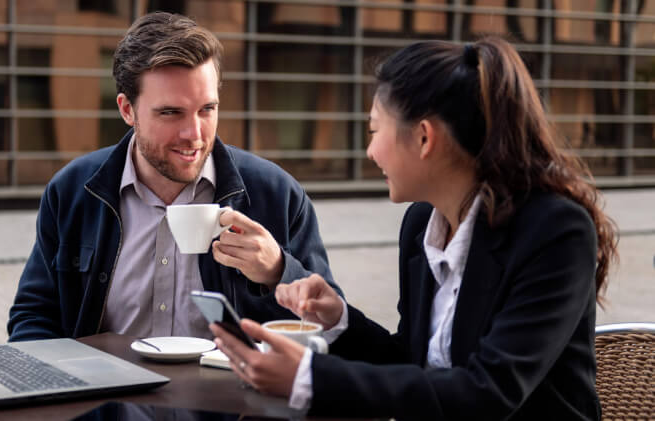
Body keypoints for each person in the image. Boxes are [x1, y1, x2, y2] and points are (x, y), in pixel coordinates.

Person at [210, 36, 618, 420]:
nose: (370, 151)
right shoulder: (422, 224)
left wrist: (310, 377)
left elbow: (490, 392)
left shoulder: (555, 232)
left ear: (424, 138)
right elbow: (413, 363)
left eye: (374, 130)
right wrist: (339, 320)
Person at [7, 12, 341, 342]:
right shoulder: (72, 192)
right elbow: (34, 315)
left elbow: (329, 331)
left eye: (207, 109)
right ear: (127, 110)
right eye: (170, 112)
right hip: (106, 394)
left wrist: (278, 271)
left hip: (229, 395)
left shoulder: (277, 194)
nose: (193, 133)